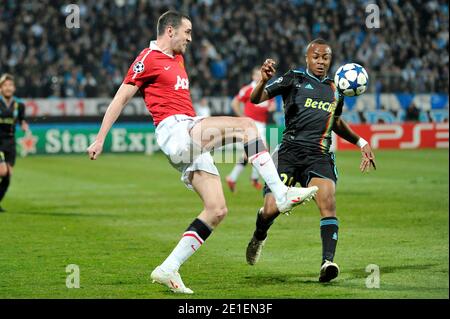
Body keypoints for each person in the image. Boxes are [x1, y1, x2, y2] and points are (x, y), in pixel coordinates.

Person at [87, 11, 319, 294]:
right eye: (187, 32)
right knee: (247, 126)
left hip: (189, 135)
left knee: (217, 209)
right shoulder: (147, 58)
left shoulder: (177, 59)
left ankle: (168, 268)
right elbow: (120, 98)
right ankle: (281, 194)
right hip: (175, 131)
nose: (190, 38)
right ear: (170, 31)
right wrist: (100, 139)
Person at [245, 38, 377, 283]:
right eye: (316, 57)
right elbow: (255, 99)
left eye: (325, 58)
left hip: (319, 155)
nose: (320, 62)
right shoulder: (293, 78)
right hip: (289, 153)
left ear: (330, 60)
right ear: (307, 58)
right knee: (271, 208)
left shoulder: (336, 88)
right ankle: (259, 235)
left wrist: (361, 142)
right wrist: (263, 79)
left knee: (327, 200)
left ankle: (327, 262)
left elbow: (335, 122)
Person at [226, 67, 276, 192]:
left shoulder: (267, 90)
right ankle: (253, 178)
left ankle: (233, 178)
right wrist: (242, 117)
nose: (259, 77)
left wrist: (271, 107)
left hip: (261, 125)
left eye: (261, 75)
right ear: (253, 77)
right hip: (251, 124)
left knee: (251, 153)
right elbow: (235, 102)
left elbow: (273, 105)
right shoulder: (248, 89)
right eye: (257, 75)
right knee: (262, 150)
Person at [0, 74, 31, 212]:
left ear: (14, 88)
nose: (8, 88)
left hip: (10, 142)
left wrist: (24, 125)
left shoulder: (19, 104)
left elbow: (21, 120)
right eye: (5, 85)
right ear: (1, 88)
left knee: (8, 175)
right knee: (2, 171)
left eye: (10, 85)